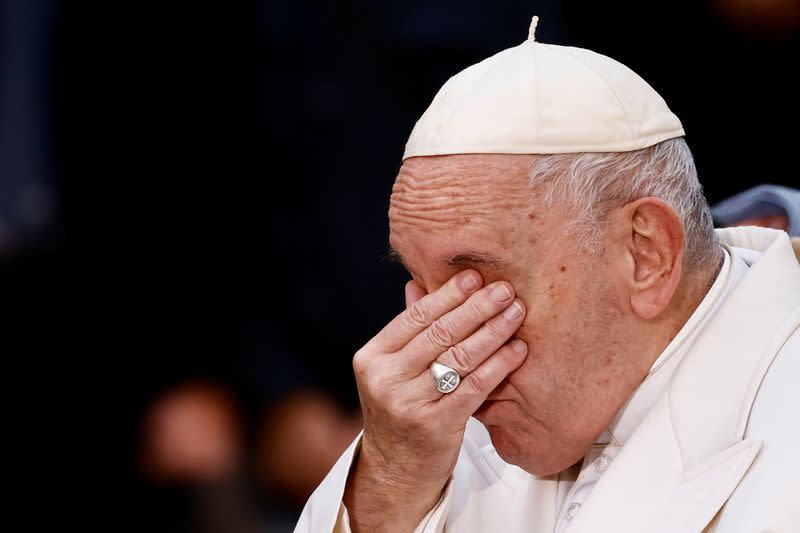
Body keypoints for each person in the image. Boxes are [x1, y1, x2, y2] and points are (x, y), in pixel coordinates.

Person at [295, 16, 800, 533]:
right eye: (422, 288)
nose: (445, 354)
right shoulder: (427, 433)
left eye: (478, 285)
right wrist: (389, 487)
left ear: (645, 255)